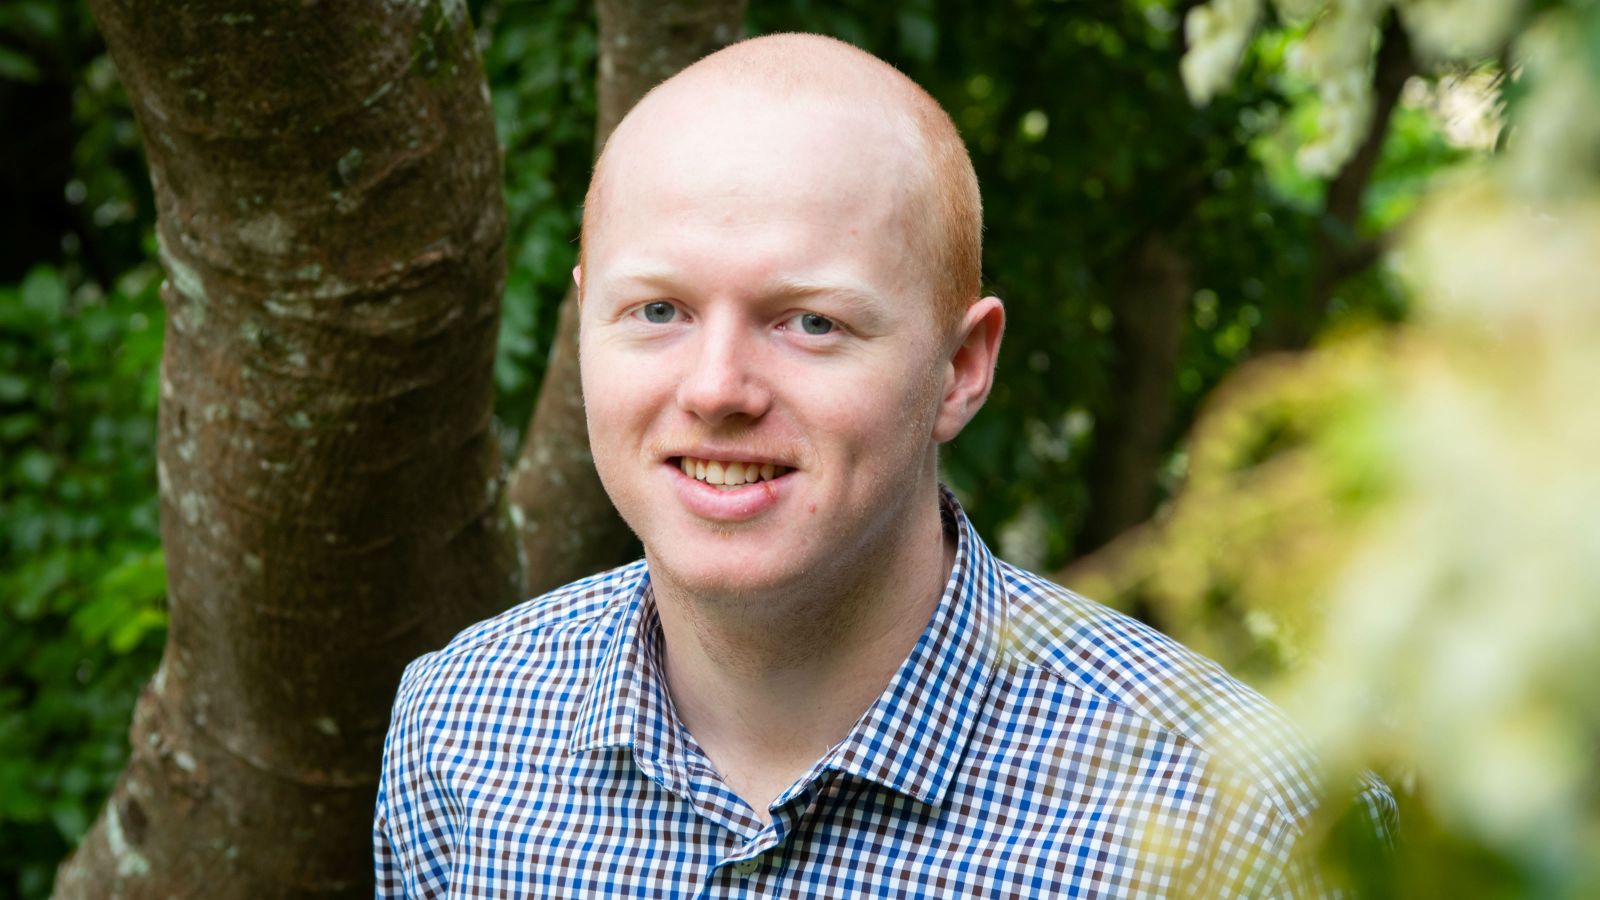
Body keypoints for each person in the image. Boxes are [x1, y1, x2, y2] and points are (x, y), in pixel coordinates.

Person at [374, 32, 1393, 898]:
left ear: (959, 369)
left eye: (809, 322)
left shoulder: (1244, 814)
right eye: (658, 312)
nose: (717, 387)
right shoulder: (460, 732)